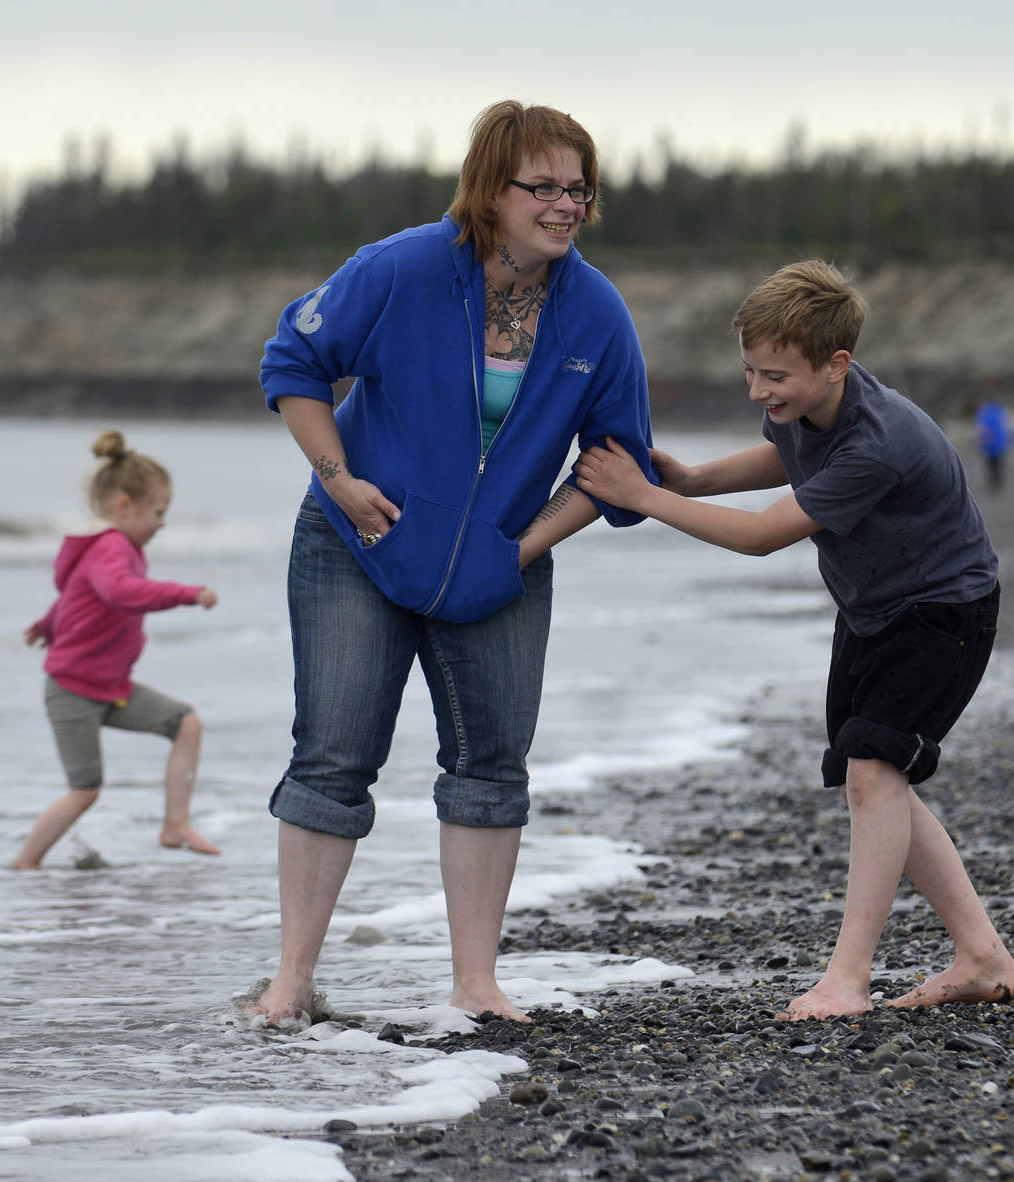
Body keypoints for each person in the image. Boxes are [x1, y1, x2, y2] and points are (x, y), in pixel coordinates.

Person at [245, 101, 657, 1023]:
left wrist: (521, 548)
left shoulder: (596, 312)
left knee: (489, 765)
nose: (564, 206)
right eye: (541, 187)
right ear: (490, 188)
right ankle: (291, 982)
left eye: (577, 189)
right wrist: (341, 479)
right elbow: (295, 363)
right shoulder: (400, 268)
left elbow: (615, 464)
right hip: (357, 543)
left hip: (500, 568)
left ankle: (476, 985)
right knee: (333, 756)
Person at [574, 259, 1014, 1021]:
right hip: (873, 610)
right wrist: (692, 480)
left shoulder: (878, 440)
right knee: (872, 778)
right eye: (749, 372)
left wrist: (644, 497)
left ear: (837, 363)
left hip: (944, 612)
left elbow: (761, 538)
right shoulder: (803, 406)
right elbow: (787, 457)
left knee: (873, 775)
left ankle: (847, 979)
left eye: (774, 376)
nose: (759, 391)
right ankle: (980, 955)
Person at [13, 430, 221, 870]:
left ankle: (175, 825)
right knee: (85, 789)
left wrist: (49, 624)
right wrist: (187, 593)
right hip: (73, 691)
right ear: (124, 505)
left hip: (111, 688)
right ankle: (25, 863)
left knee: (186, 723)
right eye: (159, 512)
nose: (163, 523)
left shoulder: (109, 547)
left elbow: (74, 595)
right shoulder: (112, 546)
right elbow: (122, 592)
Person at [971, 395, 1011, 493]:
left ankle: (993, 484)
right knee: (998, 465)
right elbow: (1005, 431)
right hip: (999, 446)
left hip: (989, 446)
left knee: (991, 466)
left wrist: (980, 444)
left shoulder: (984, 415)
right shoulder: (1000, 413)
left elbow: (983, 431)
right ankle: (998, 483)